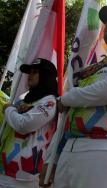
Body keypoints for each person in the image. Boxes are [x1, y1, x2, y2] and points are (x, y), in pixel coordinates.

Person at [39, 6, 107, 188]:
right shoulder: (92, 69)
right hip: (70, 146)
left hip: (106, 148)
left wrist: (66, 98)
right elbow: (70, 112)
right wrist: (51, 158)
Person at [0, 58, 58, 188]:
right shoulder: (23, 100)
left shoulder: (50, 102)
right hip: (4, 171)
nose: (29, 75)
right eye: (29, 72)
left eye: (34, 72)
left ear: (45, 76)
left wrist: (8, 109)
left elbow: (24, 125)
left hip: (24, 178)